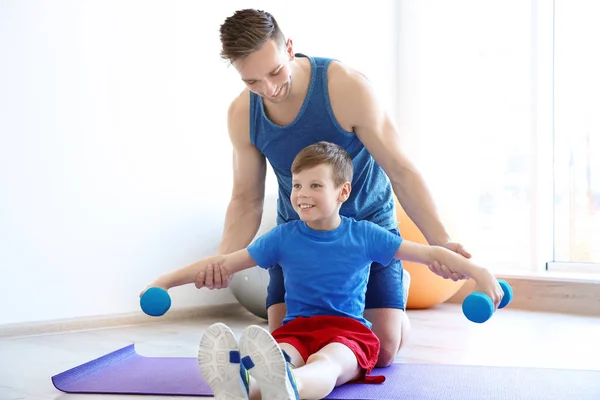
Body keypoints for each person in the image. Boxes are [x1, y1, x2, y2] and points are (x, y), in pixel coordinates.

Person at [202, 8, 473, 367]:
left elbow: (401, 170)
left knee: (381, 352)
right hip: (299, 239)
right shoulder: (243, 113)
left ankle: (393, 295)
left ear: (289, 49)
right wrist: (225, 259)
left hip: (366, 232)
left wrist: (441, 244)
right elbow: (246, 198)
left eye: (274, 71)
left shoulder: (345, 87)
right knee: (289, 345)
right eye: (252, 82)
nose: (269, 88)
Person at [142, 142, 503, 400]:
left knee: (327, 363)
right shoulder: (282, 237)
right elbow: (225, 264)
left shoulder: (364, 235)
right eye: (297, 185)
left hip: (348, 334)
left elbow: (428, 254)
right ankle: (241, 388)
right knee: (281, 356)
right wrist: (166, 282)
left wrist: (480, 274)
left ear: (342, 191)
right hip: (297, 330)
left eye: (315, 185)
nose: (302, 194)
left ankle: (289, 388)